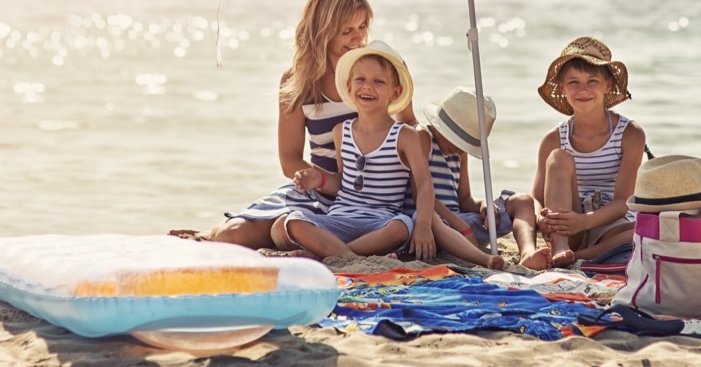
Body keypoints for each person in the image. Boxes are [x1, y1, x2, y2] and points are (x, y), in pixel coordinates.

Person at [207, 0, 412, 249]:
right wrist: (322, 182)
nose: (358, 38)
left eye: (362, 26)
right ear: (322, 32)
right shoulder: (297, 81)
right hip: (320, 189)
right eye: (346, 31)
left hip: (374, 196)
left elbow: (409, 128)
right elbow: (289, 159)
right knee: (231, 234)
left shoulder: (379, 72)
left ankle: (331, 245)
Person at [274, 41, 436, 260]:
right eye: (360, 79)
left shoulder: (405, 136)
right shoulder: (341, 131)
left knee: (402, 226)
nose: (367, 86)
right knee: (292, 222)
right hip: (340, 218)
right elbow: (343, 181)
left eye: (378, 81)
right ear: (349, 87)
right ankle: (352, 256)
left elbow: (424, 183)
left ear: (395, 92)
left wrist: (424, 225)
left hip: (381, 221)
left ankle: (330, 255)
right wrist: (319, 180)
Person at [526, 36, 646, 269]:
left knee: (647, 231)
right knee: (558, 158)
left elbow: (623, 201)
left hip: (611, 225)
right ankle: (562, 248)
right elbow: (537, 198)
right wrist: (543, 217)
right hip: (567, 225)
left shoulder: (630, 134)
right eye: (573, 82)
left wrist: (584, 222)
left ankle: (583, 255)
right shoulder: (554, 138)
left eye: (592, 81)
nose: (583, 89)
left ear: (608, 85)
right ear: (562, 88)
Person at [417, 87, 539, 270]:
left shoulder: (459, 153)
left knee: (523, 201)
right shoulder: (422, 138)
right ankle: (481, 257)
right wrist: (461, 226)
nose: (461, 149)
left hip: (459, 222)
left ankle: (528, 253)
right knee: (432, 219)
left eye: (467, 145)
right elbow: (420, 192)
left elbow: (465, 199)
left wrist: (484, 205)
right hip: (432, 221)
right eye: (458, 142)